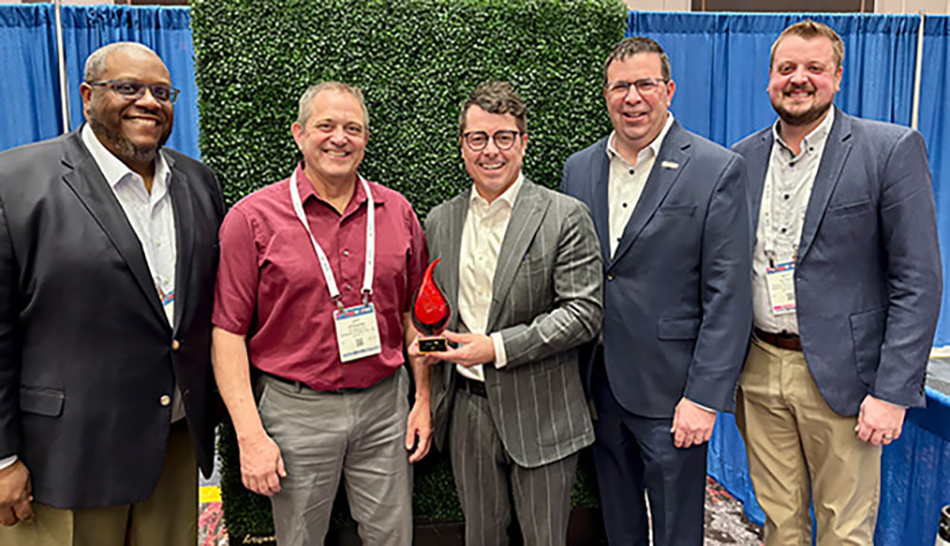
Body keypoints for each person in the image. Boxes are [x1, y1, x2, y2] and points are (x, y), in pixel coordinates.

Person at [0, 42, 224, 545]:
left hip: (173, 442)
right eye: (128, 87)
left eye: (162, 92)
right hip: (66, 456)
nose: (148, 101)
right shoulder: (16, 183)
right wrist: (2, 458)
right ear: (87, 95)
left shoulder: (198, 183)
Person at [731, 20, 941, 545]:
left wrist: (893, 391)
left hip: (845, 381)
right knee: (778, 523)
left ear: (838, 77)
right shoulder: (740, 158)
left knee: (845, 530)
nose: (798, 79)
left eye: (814, 68)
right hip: (758, 370)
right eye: (786, 69)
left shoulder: (889, 150)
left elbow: (919, 279)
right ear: (769, 80)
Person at [211, 81, 432, 546]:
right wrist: (250, 436)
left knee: (393, 538)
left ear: (366, 139)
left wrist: (423, 398)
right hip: (296, 412)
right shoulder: (252, 219)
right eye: (325, 126)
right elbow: (227, 333)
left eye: (353, 128)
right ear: (298, 133)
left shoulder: (398, 212)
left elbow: (415, 315)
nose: (340, 138)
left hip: (384, 405)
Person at [561, 37, 753, 545]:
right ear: (606, 95)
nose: (633, 97)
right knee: (618, 520)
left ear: (669, 89)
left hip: (673, 393)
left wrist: (704, 397)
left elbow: (728, 295)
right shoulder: (578, 169)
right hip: (598, 383)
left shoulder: (715, 168)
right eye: (621, 86)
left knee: (675, 527)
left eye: (645, 84)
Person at [412, 81, 603, 546]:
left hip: (543, 410)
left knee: (544, 538)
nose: (490, 151)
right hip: (467, 414)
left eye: (503, 137)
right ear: (462, 145)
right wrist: (425, 381)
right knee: (482, 537)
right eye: (478, 138)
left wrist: (495, 347)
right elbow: (427, 315)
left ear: (523, 143)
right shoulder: (441, 220)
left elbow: (583, 313)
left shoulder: (564, 215)